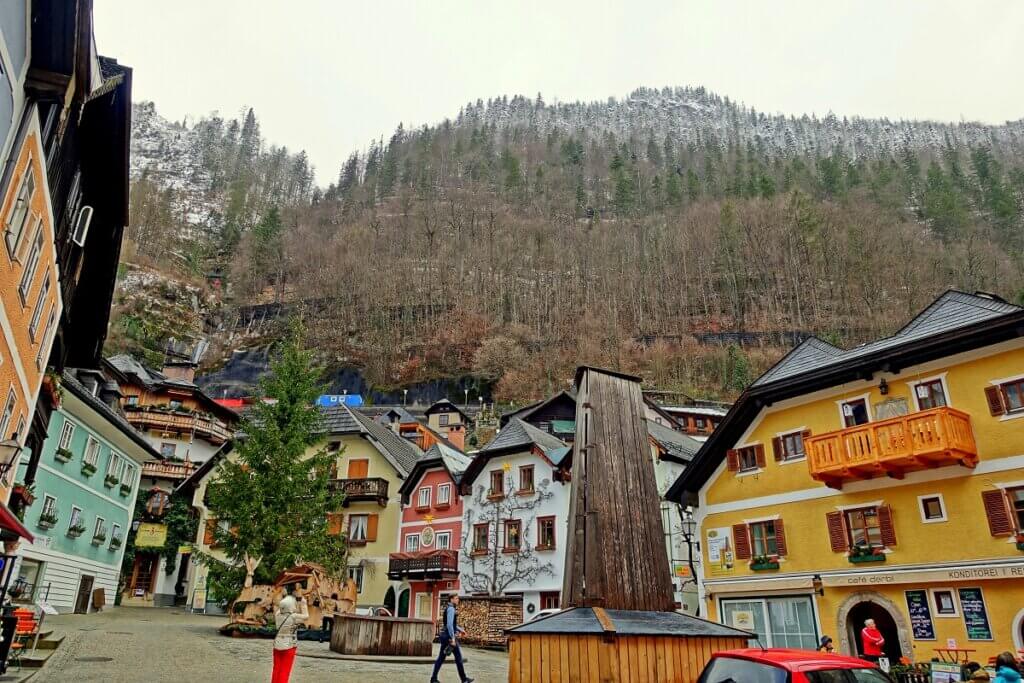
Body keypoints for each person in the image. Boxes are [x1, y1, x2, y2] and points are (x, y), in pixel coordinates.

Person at [430, 595, 473, 683]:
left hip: (445, 636)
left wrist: (461, 630)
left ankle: (433, 679)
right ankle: (464, 680)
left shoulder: (450, 608)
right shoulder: (451, 609)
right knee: (458, 658)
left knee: (441, 658)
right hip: (449, 637)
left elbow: (452, 624)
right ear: (451, 599)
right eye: (456, 598)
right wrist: (453, 638)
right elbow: (449, 625)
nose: (458, 600)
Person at [272, 594, 308, 683]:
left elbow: (283, 607)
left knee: (276, 669)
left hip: (277, 645)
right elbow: (306, 616)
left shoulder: (277, 615)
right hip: (289, 646)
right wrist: (303, 604)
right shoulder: (293, 617)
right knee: (285, 670)